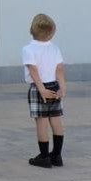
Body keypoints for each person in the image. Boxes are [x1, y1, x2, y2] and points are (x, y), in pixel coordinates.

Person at [23, 13, 67, 168]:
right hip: (54, 86)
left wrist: (41, 89)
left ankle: (44, 156)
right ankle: (57, 155)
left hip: (38, 88)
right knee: (55, 120)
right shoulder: (55, 48)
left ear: (32, 30)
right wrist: (62, 88)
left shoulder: (28, 49)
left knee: (41, 122)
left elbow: (33, 71)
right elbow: (59, 69)